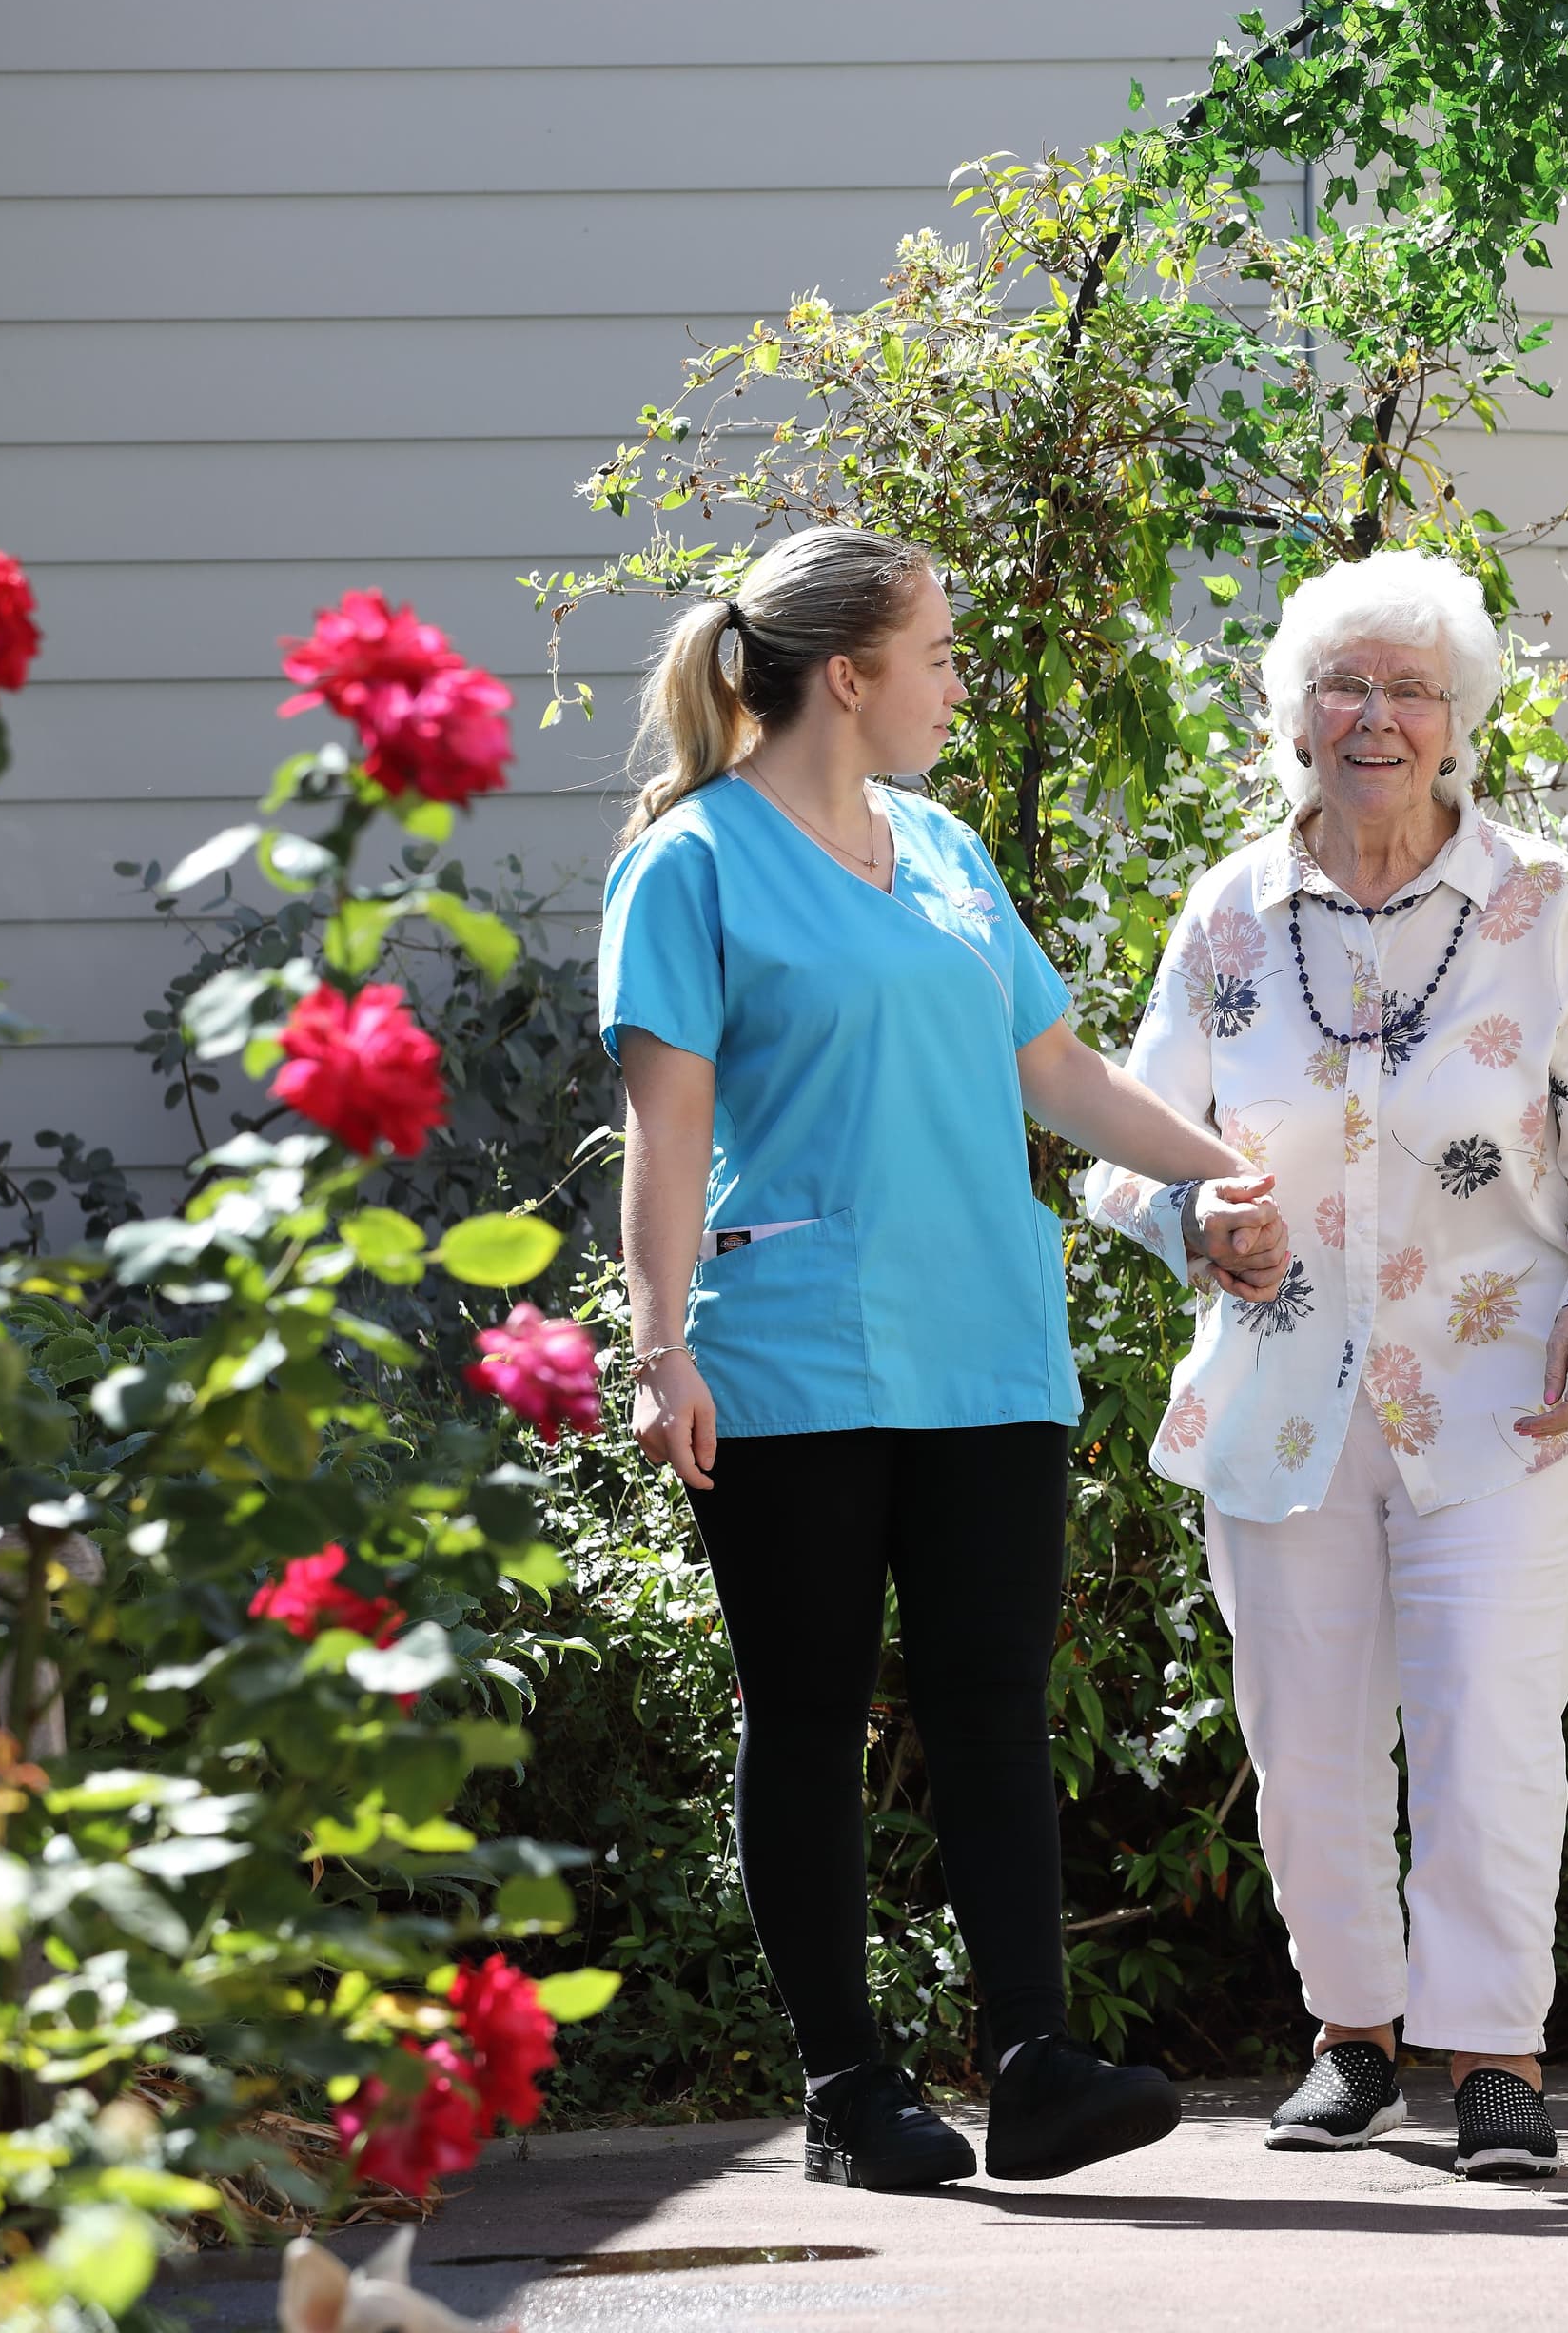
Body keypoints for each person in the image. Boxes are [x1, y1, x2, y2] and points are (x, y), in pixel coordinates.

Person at [599, 525, 1292, 2192]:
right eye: (940, 657)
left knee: (992, 1710)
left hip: (988, 1344)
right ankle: (849, 2088)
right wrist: (656, 1349)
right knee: (812, 1710)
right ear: (849, 678)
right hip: (795, 1357)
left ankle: (1037, 2066)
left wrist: (1223, 1179)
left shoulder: (945, 851)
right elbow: (665, 1132)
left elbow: (1056, 1067)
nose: (960, 684)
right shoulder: (689, 863)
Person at [1082, 550, 1568, 2179]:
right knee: (1307, 1736)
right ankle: (1354, 2038)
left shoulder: (1541, 907)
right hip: (1281, 1398)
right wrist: (1198, 1218)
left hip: (1502, 1393)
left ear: (1458, 720)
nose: (1379, 718)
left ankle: (1497, 2056)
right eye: (1346, 685)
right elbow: (1121, 1149)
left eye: (1413, 689)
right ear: (1295, 713)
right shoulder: (1225, 916)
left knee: (1490, 1719)